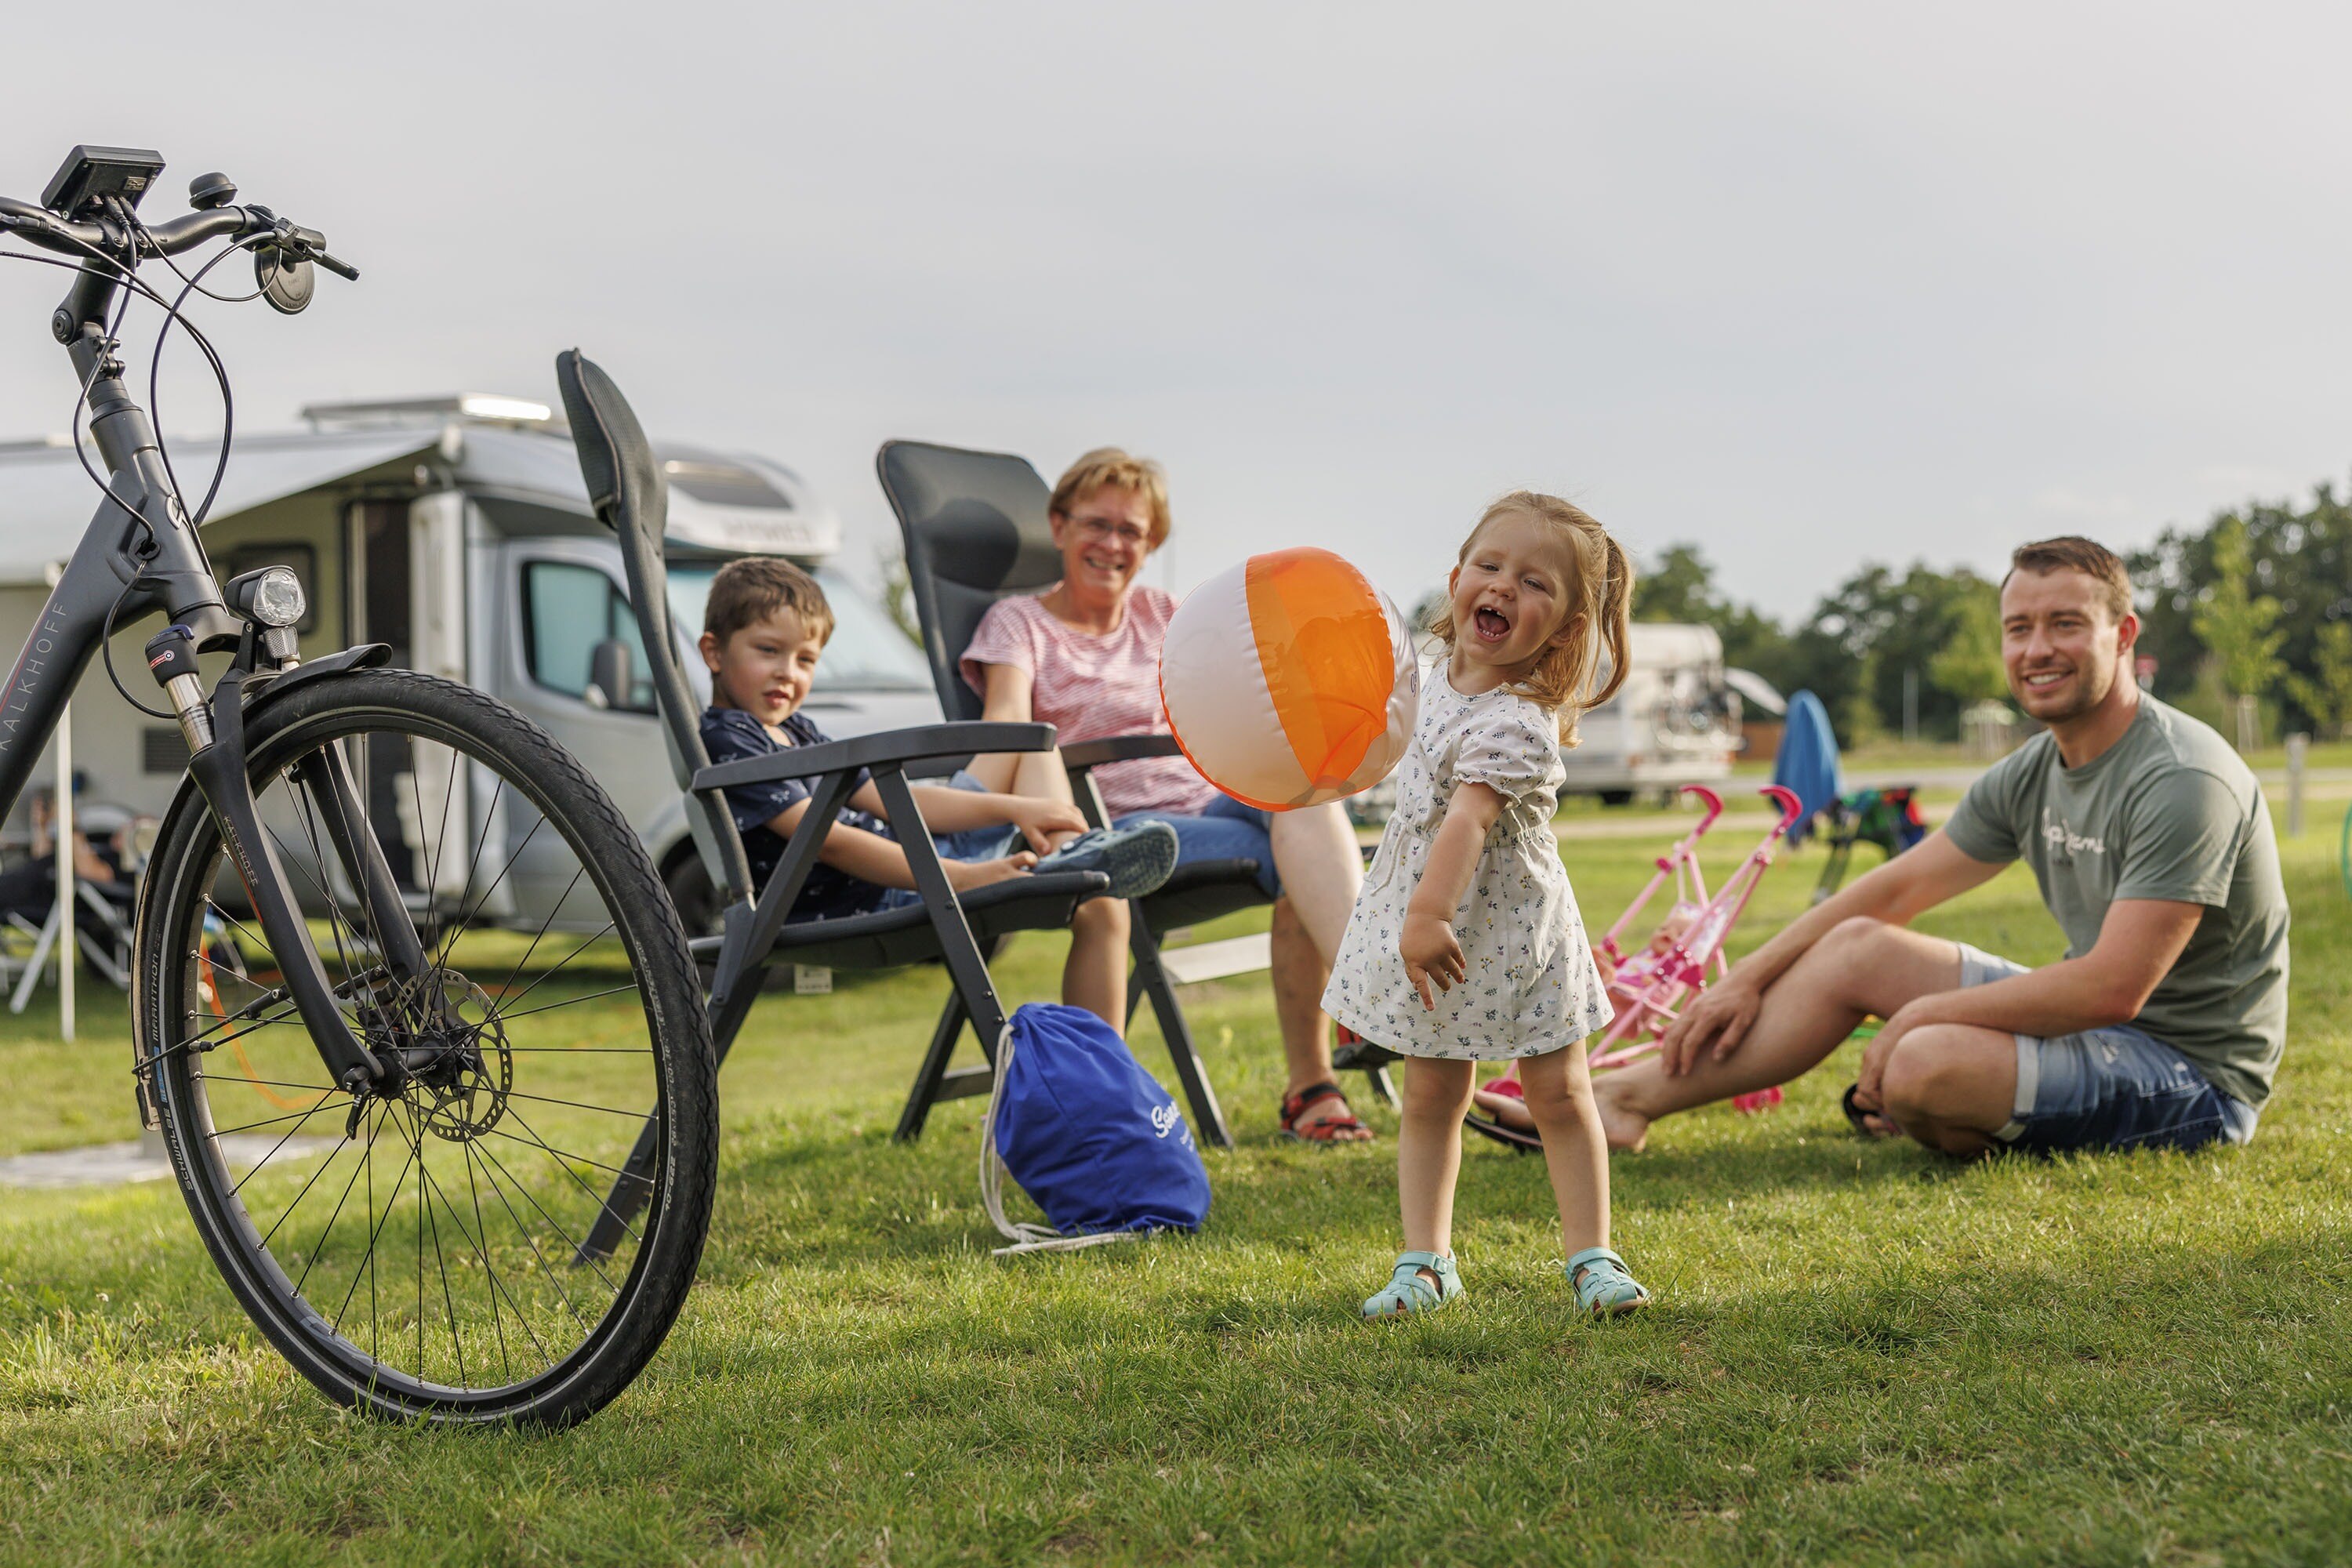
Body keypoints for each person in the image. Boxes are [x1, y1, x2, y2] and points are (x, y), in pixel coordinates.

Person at [1592, 535, 2290, 1158]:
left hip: (2195, 1077)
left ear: (2124, 635)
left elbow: (2114, 987)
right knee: (1858, 945)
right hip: (2095, 1032)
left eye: (2066, 624)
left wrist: (1926, 1013)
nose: (2037, 648)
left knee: (1925, 1063)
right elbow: (1894, 890)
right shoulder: (2035, 769)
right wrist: (1747, 975)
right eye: (2019, 628)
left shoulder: (2182, 777)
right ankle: (1619, 1102)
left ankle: (1949, 1105)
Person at [961, 448, 1377, 1141]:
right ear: (1059, 527)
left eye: (1133, 531)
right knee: (1300, 844)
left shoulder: (1166, 616)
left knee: (1303, 792)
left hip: (1210, 809)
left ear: (1151, 544)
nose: (1114, 544)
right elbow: (1007, 723)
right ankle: (1327, 1069)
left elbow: (1235, 703)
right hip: (1117, 831)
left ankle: (1360, 1002)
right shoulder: (1019, 624)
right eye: (1098, 524)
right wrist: (964, 806)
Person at [1325, 491, 1652, 1319]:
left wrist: (1426, 916)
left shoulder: (1519, 721)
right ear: (1456, 577)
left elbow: (1468, 820)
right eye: (1491, 566)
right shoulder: (1428, 681)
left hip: (1506, 932)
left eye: (1536, 581)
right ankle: (1425, 1263)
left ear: (1569, 625)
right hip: (1431, 923)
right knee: (1434, 1095)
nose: (1505, 586)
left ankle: (1593, 1259)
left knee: (1561, 1093)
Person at [695, 557, 1178, 1029]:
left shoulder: (797, 730)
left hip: (919, 865)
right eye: (768, 651)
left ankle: (1070, 855)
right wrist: (963, 878)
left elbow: (899, 801)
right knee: (1102, 900)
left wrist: (1019, 808)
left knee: (1031, 739)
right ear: (714, 652)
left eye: (805, 660)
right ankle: (1073, 862)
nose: (788, 673)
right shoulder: (732, 740)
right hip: (877, 895)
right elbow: (829, 841)